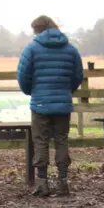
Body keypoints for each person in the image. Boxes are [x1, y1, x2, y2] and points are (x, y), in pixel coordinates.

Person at [16, 14, 84, 196]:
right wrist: (65, 91)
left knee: (40, 142)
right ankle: (63, 182)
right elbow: (77, 76)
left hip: (40, 104)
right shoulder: (71, 50)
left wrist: (33, 91)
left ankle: (42, 182)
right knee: (61, 140)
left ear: (38, 30)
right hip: (63, 104)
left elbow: (23, 77)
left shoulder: (31, 49)